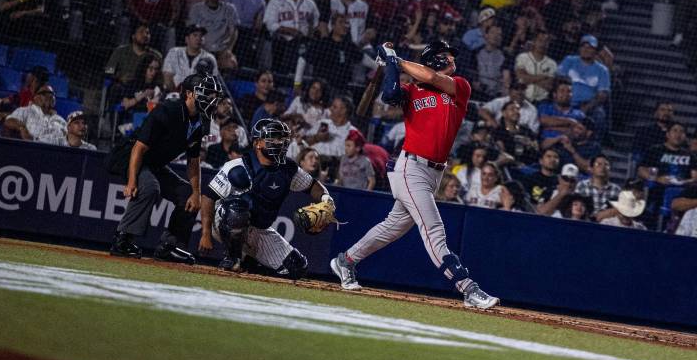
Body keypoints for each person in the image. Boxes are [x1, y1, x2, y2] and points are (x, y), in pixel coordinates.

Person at [330, 41, 499, 309]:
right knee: (434, 230)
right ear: (433, 59)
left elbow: (431, 77)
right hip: (410, 168)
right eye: (445, 56)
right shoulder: (411, 91)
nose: (451, 59)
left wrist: (394, 59)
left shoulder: (460, 86)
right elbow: (389, 96)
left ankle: (345, 261)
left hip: (434, 173)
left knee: (391, 228)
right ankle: (468, 288)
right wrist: (390, 67)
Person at [106, 73, 223, 263]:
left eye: (213, 95)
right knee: (150, 187)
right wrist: (132, 181)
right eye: (207, 94)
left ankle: (169, 246)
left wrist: (196, 192)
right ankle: (122, 239)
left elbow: (193, 160)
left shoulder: (202, 120)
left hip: (153, 163)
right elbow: (139, 148)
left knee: (188, 194)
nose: (212, 99)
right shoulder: (168, 110)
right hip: (129, 156)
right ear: (190, 94)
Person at [199, 118, 332, 278]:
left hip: (258, 229)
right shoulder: (238, 167)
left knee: (297, 267)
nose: (280, 143)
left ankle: (249, 262)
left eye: (283, 138)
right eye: (274, 138)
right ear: (258, 143)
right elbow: (208, 196)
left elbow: (313, 186)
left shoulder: (288, 169)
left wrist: (326, 199)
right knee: (237, 210)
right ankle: (232, 258)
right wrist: (205, 233)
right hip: (224, 221)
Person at [263, 0, 320, 74]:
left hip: (304, 44)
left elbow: (316, 24)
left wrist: (311, 34)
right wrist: (290, 31)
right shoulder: (275, 1)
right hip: (282, 44)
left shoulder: (309, 3)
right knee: (281, 74)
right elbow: (270, 24)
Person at [555, 35, 610, 140]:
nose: (586, 50)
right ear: (579, 48)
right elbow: (558, 79)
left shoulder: (602, 70)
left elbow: (602, 95)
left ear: (595, 51)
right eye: (583, 46)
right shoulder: (569, 60)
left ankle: (594, 145)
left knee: (600, 115)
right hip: (566, 101)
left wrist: (585, 108)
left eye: (590, 47)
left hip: (588, 105)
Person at [188, 0, 238, 70]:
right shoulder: (196, 9)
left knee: (231, 63)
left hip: (221, 50)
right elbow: (192, 32)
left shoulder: (230, 9)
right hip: (202, 48)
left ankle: (222, 84)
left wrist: (228, 49)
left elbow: (234, 32)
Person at [637, 122, 697, 186]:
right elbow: (641, 170)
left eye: (682, 132)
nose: (678, 135)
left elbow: (695, 178)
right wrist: (657, 179)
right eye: (675, 131)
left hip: (682, 192)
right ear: (667, 134)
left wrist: (683, 182)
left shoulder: (690, 155)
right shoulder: (655, 150)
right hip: (657, 190)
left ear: (685, 137)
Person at [162, 24, 217, 92]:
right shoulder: (174, 52)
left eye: (201, 36)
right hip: (173, 94)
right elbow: (167, 78)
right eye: (195, 35)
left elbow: (213, 82)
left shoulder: (210, 58)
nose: (198, 38)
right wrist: (177, 95)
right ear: (187, 39)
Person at [491, 100, 540, 165]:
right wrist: (517, 163)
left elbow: (536, 148)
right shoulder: (499, 131)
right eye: (512, 109)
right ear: (504, 113)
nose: (516, 112)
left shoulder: (526, 130)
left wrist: (531, 144)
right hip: (511, 165)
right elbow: (502, 153)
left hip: (530, 163)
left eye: (518, 109)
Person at [514, 30, 556, 103]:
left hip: (543, 101)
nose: (542, 44)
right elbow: (520, 78)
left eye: (546, 41)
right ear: (534, 41)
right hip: (523, 99)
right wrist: (543, 77)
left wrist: (528, 77)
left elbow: (549, 86)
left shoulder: (552, 63)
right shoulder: (522, 57)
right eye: (540, 40)